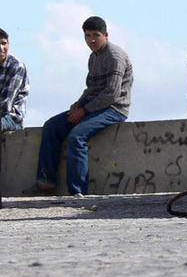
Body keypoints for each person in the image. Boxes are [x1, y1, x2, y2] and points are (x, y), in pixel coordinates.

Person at [36, 16, 134, 196]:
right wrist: (79, 104)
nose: (92, 40)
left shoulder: (114, 56)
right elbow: (92, 88)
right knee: (52, 126)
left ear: (106, 35)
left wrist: (84, 111)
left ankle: (78, 192)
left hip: (114, 109)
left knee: (76, 137)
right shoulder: (93, 57)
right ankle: (46, 181)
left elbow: (111, 94)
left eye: (96, 35)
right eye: (87, 36)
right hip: (92, 106)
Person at [0, 28, 29, 132]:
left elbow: (5, 104)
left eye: (4, 43)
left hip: (11, 118)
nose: (1, 48)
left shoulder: (16, 66)